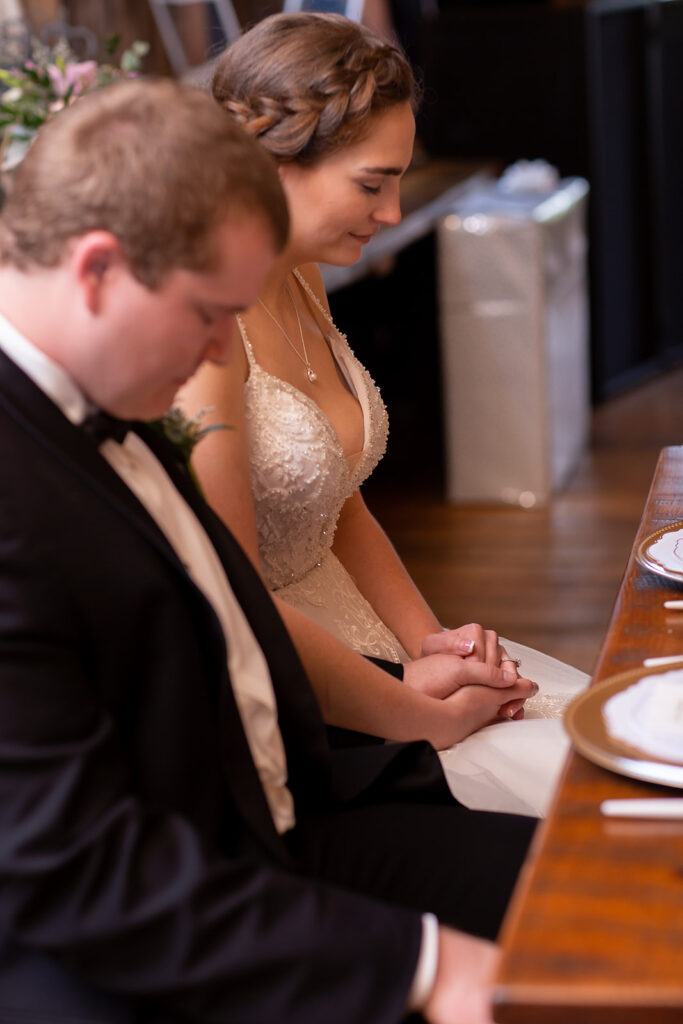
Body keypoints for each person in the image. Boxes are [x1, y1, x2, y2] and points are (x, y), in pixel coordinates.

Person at [0, 75, 537, 1024]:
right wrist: (422, 968)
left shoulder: (103, 385)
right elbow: (75, 869)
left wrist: (409, 695)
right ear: (95, 272)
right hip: (168, 912)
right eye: (209, 314)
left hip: (295, 800)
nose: (218, 357)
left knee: (619, 878)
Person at [178, 11, 590, 819]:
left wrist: (433, 642)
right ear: (272, 167)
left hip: (371, 637)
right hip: (306, 681)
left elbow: (337, 500)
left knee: (604, 739)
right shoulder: (205, 337)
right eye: (372, 183)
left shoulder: (297, 276)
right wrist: (418, 708)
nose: (395, 211)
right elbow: (235, 598)